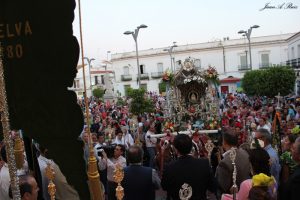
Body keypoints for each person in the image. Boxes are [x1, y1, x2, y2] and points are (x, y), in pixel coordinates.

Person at [161, 134, 216, 200]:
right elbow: (213, 187)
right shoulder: (204, 164)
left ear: (176, 149)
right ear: (191, 147)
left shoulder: (169, 167)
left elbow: (164, 186)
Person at [216, 129, 251, 195]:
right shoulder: (245, 153)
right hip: (246, 194)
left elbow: (222, 187)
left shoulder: (224, 163)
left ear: (224, 142)